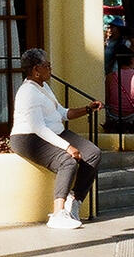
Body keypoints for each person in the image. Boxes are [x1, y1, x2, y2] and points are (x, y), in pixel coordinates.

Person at [10, 48, 103, 229]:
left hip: (54, 132)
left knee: (93, 153)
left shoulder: (43, 87)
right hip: (28, 138)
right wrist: (67, 147)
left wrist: (87, 109)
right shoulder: (28, 93)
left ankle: (74, 202)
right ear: (36, 70)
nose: (50, 69)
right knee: (67, 161)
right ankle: (57, 214)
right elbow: (38, 128)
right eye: (47, 65)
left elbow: (63, 113)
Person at [105, 48, 134, 127]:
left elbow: (107, 100)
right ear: (132, 60)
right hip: (133, 118)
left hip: (114, 117)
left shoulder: (110, 77)